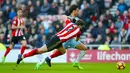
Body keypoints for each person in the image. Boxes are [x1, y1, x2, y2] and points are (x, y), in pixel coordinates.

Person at [35, 5, 87, 70]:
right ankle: (40, 63)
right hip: (64, 39)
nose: (78, 12)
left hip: (70, 39)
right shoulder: (69, 18)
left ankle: (76, 62)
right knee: (54, 52)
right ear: (74, 11)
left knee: (84, 48)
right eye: (77, 10)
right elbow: (65, 25)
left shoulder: (77, 20)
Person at [16, 19, 85, 66]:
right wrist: (75, 39)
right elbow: (77, 39)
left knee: (63, 51)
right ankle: (22, 57)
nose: (81, 28)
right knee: (40, 51)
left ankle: (49, 58)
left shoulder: (69, 23)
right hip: (57, 41)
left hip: (57, 39)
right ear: (79, 25)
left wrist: (70, 19)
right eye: (81, 26)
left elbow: (66, 18)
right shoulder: (78, 31)